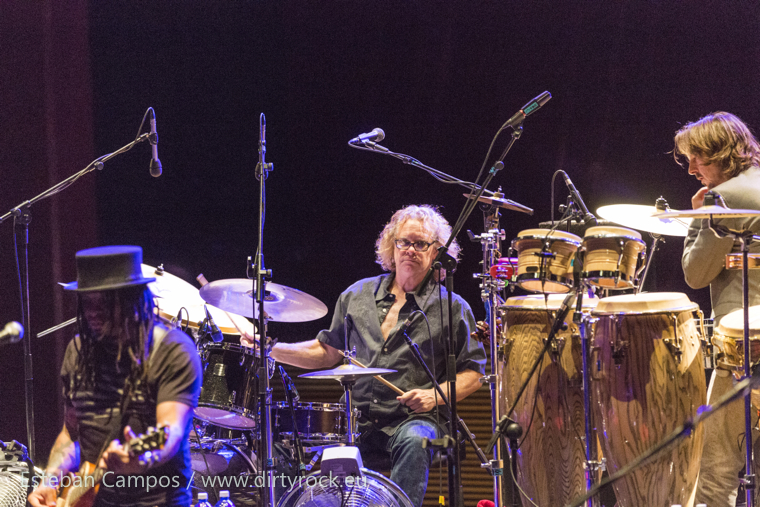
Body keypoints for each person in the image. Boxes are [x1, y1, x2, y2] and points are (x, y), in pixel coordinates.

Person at [267, 204, 487, 507]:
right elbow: (328, 352)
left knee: (414, 440)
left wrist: (433, 397)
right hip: (355, 419)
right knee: (281, 438)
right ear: (391, 246)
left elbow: (473, 373)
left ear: (436, 252)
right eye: (403, 242)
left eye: (420, 243)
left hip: (415, 422)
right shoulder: (356, 296)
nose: (410, 250)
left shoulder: (453, 307)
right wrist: (270, 349)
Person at [28, 246, 202, 507]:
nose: (93, 312)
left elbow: (172, 431)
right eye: (87, 302)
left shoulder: (172, 351)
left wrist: (142, 459)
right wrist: (51, 480)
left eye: (106, 302)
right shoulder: (78, 352)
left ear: (133, 299)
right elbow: (72, 434)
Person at [675, 112, 760, 506]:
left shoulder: (729, 198)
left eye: (699, 158)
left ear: (725, 154)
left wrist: (699, 219)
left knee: (716, 469)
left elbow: (696, 272)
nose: (692, 169)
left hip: (746, 348)